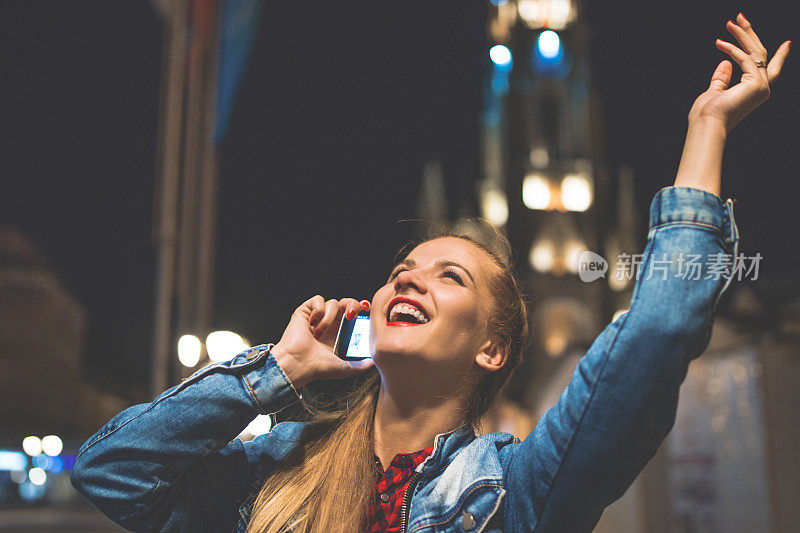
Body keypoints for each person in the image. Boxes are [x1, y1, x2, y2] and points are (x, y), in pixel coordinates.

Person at [71, 14, 790, 533]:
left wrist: (708, 129)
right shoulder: (274, 472)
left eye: (450, 277)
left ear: (492, 348)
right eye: (401, 270)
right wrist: (279, 369)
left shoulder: (517, 492)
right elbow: (111, 473)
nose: (407, 281)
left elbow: (657, 328)